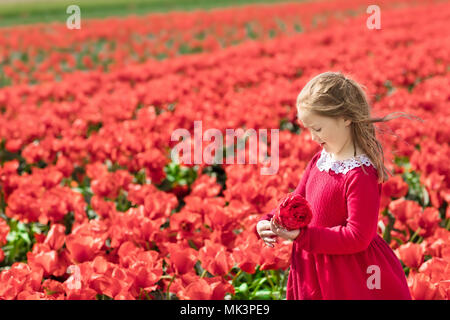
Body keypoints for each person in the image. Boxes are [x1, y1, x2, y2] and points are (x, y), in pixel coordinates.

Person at [256, 71, 422, 300]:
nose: (313, 137)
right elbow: (296, 200)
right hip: (313, 267)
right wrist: (271, 220)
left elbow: (358, 236)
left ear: (345, 118)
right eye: (309, 129)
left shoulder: (361, 173)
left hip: (349, 274)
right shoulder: (319, 161)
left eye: (318, 128)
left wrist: (302, 237)